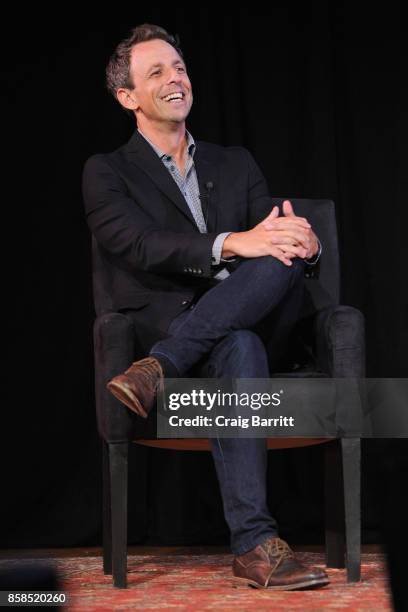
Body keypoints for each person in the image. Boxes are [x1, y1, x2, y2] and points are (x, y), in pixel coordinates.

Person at [82, 23, 329, 590]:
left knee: (274, 265)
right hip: (165, 320)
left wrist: (304, 243)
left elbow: (273, 237)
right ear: (127, 97)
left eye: (180, 67)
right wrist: (230, 243)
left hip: (233, 325)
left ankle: (159, 370)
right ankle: (255, 544)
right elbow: (138, 245)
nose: (176, 79)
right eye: (157, 72)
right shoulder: (107, 172)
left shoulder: (234, 162)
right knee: (242, 321)